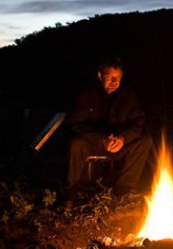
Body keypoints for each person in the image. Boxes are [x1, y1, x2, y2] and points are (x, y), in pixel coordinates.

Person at [65, 56, 154, 199]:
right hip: (94, 144)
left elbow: (138, 123)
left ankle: (124, 189)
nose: (114, 82)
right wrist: (101, 139)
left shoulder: (128, 96)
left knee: (144, 141)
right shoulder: (87, 95)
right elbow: (75, 123)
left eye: (118, 78)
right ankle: (71, 191)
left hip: (118, 145)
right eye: (110, 77)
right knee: (76, 144)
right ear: (100, 76)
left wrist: (123, 138)